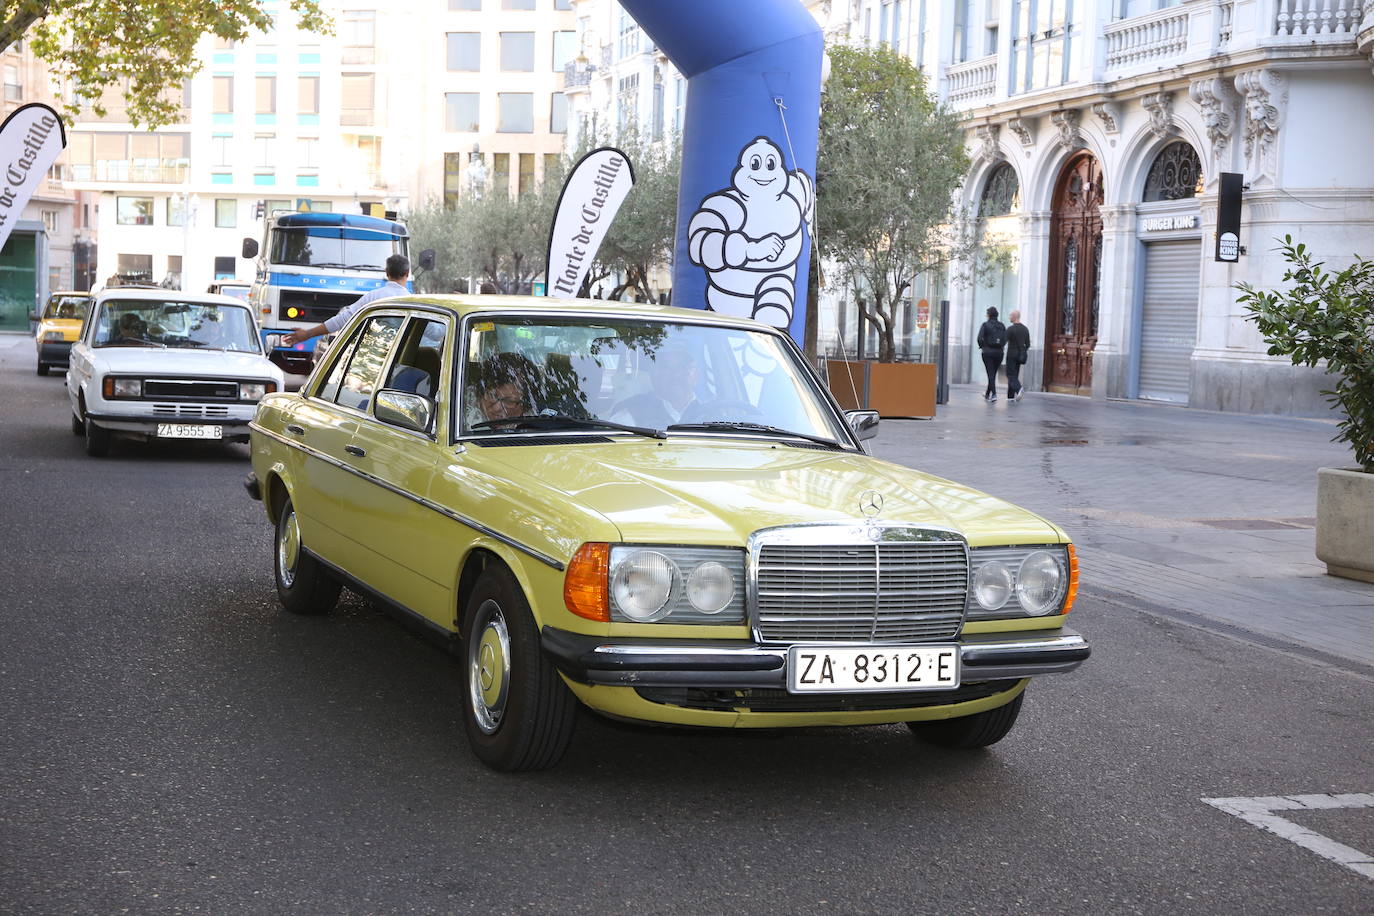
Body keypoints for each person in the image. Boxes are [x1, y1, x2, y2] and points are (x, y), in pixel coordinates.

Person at [281, 254, 410, 347]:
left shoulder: (372, 297)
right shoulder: (412, 303)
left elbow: (341, 320)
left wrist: (308, 334)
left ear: (387, 272)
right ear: (407, 273)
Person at [609, 348, 700, 428]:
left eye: (684, 368)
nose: (676, 375)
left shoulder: (711, 411)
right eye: (667, 368)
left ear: (696, 375)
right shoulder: (631, 414)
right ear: (654, 375)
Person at [465, 352, 538, 429]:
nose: (496, 408)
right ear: (479, 394)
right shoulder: (459, 413)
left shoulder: (533, 429)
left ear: (526, 406)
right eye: (492, 395)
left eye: (509, 401)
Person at [976, 306, 1007, 402]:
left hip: (987, 352)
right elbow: (1005, 339)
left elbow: (979, 338)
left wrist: (982, 346)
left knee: (990, 373)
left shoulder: (985, 325)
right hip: (999, 353)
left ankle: (994, 394)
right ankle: (987, 393)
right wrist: (1000, 346)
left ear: (988, 315)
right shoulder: (1002, 325)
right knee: (992, 373)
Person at [1005, 309, 1031, 401]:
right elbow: (1028, 344)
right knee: (1015, 374)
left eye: (1010, 316)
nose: (1009, 317)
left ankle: (1019, 389)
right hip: (1020, 355)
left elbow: (1004, 341)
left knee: (1010, 374)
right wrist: (1022, 351)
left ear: (1014, 316)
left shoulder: (1010, 329)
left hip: (1011, 354)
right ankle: (1010, 396)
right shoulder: (1025, 329)